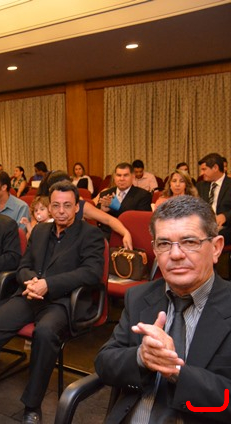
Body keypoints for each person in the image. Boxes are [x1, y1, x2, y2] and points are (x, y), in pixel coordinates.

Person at [0, 181, 104, 424]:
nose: (61, 211)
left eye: (67, 205)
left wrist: (49, 284)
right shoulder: (41, 231)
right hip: (30, 294)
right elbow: (23, 265)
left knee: (44, 333)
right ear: (50, 207)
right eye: (56, 205)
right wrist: (31, 282)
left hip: (63, 300)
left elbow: (91, 273)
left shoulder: (91, 234)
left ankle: (32, 406)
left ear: (77, 207)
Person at [94, 195, 231, 423]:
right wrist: (141, 357)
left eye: (190, 242)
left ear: (216, 248)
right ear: (155, 251)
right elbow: (104, 363)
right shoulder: (139, 297)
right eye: (164, 244)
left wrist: (176, 372)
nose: (175, 254)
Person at [97, 162, 152, 240]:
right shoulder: (105, 194)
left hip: (132, 236)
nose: (121, 179)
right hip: (107, 236)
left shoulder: (143, 195)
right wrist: (102, 211)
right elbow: (96, 219)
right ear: (114, 177)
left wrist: (117, 207)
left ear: (133, 176)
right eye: (118, 175)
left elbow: (141, 221)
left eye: (125, 175)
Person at [196, 152, 231, 245]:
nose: (201, 173)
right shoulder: (200, 186)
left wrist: (225, 216)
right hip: (204, 226)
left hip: (226, 227)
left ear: (215, 168)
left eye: (204, 169)